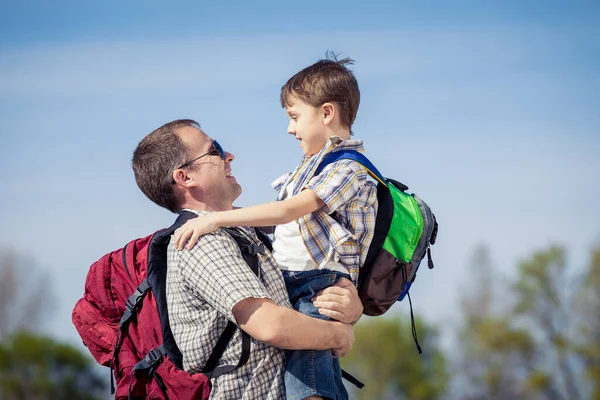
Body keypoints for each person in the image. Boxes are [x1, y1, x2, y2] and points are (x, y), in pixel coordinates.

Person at [173, 55, 377, 400]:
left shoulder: (346, 169)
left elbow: (285, 212)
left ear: (326, 113)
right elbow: (278, 220)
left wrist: (217, 218)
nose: (289, 128)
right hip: (299, 280)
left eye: (294, 117)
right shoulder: (313, 165)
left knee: (308, 385)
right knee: (305, 373)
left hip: (316, 284)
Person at [131, 118, 363, 400]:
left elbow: (304, 295)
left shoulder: (238, 232)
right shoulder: (201, 241)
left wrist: (348, 306)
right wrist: (339, 336)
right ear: (185, 177)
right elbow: (269, 325)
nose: (229, 156)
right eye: (214, 150)